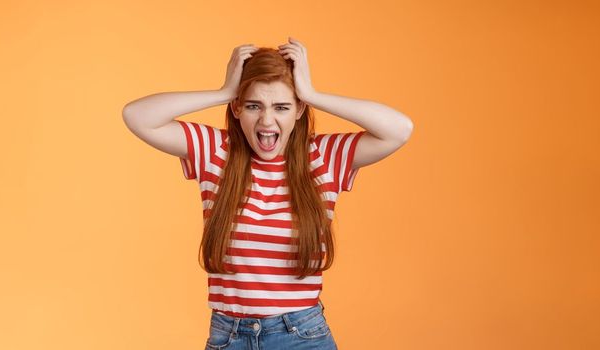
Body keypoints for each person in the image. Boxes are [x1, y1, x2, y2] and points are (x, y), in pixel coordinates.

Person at [122, 37, 413, 350]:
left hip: (302, 336)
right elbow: (137, 115)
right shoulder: (216, 153)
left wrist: (312, 93)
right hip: (228, 336)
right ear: (237, 108)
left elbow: (399, 128)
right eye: (253, 105)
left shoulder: (323, 158)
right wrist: (223, 92)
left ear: (299, 110)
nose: (266, 120)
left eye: (282, 107)